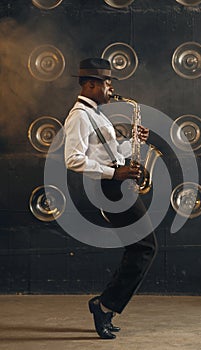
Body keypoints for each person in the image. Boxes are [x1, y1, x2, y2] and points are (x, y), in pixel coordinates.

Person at [64, 58, 158, 339]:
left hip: (115, 184)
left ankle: (104, 304)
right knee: (145, 247)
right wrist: (114, 174)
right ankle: (104, 306)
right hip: (109, 188)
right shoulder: (79, 116)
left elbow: (111, 151)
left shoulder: (96, 113)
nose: (110, 89)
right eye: (107, 83)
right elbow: (73, 159)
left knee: (138, 247)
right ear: (91, 84)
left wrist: (134, 141)